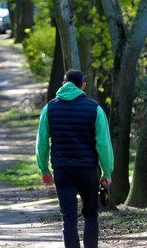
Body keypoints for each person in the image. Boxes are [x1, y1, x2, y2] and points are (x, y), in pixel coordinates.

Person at [36, 69, 114, 248]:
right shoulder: (95, 109)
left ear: (63, 84)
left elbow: (41, 143)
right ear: (83, 85)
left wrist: (44, 169)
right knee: (91, 214)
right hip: (87, 170)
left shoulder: (49, 108)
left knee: (68, 216)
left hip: (62, 170)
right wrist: (107, 171)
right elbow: (103, 144)